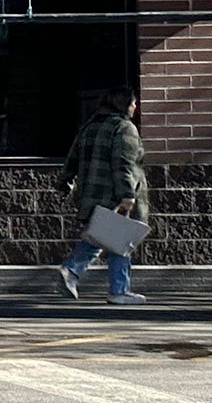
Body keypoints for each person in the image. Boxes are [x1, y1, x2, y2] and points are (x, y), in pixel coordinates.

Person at [58, 87, 152, 306]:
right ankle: (80, 273)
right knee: (119, 238)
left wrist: (66, 180)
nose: (135, 107)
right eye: (133, 103)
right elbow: (123, 164)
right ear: (123, 104)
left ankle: (115, 287)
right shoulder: (124, 128)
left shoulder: (90, 126)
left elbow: (72, 157)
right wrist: (127, 194)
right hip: (115, 194)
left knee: (109, 237)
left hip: (92, 193)